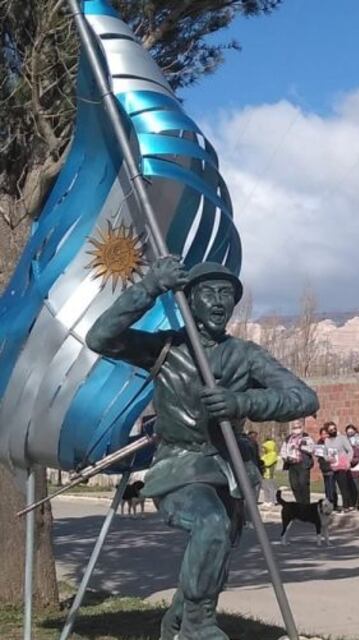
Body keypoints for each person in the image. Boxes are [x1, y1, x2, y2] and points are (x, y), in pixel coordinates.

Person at [86, 257, 319, 637]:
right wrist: (149, 287)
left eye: (225, 294)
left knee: (217, 553)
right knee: (210, 526)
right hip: (180, 465)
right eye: (208, 292)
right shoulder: (166, 348)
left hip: (229, 470)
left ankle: (177, 620)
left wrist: (243, 403)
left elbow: (304, 398)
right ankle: (197, 625)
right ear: (189, 300)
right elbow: (100, 337)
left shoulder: (245, 354)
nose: (218, 301)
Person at [317, 421, 354, 511]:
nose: (333, 431)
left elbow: (350, 450)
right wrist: (328, 458)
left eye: (334, 429)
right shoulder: (327, 441)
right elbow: (325, 453)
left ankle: (346, 506)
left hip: (342, 464)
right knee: (333, 487)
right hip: (333, 465)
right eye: (331, 430)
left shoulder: (342, 438)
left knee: (343, 485)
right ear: (327, 431)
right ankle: (336, 504)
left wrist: (348, 461)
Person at [283, 422, 315, 504]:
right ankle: (299, 502)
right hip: (292, 464)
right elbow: (283, 450)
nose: (296, 429)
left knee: (303, 484)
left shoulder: (306, 438)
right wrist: (286, 457)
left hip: (303, 464)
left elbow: (312, 449)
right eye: (294, 427)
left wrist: (300, 447)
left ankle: (306, 503)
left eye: (298, 427)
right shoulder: (288, 439)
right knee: (294, 485)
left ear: (301, 428)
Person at [345, 424, 359, 510]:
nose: (350, 432)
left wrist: (352, 460)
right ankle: (350, 504)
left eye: (351, 430)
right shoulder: (345, 441)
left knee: (356, 486)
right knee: (348, 487)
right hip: (347, 468)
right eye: (348, 431)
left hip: (357, 468)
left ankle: (356, 504)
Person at [259, 436, 279, 506]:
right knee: (265, 488)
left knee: (271, 488)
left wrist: (262, 462)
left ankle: (272, 501)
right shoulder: (265, 455)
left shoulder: (273, 454)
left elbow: (268, 463)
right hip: (264, 474)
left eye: (265, 448)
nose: (263, 449)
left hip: (270, 474)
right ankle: (266, 500)